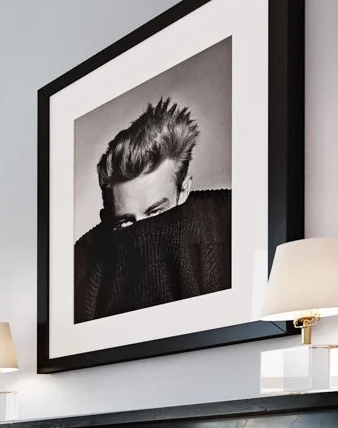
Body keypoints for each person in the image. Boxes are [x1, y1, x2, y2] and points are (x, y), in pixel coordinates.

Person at [71, 96, 230, 322]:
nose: (143, 231)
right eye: (125, 222)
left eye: (155, 213)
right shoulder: (83, 272)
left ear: (184, 190)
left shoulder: (222, 241)